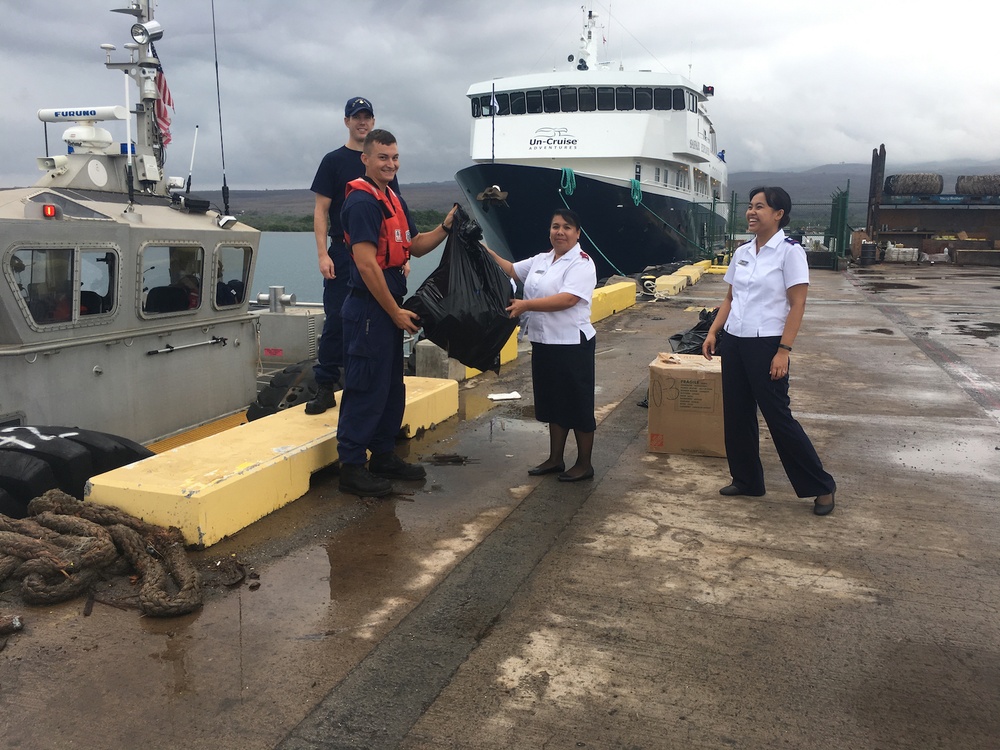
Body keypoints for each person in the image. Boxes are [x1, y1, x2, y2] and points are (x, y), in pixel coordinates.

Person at [336, 129, 457, 497]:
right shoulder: (362, 203)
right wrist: (395, 313)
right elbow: (368, 265)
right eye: (383, 157)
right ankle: (352, 465)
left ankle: (383, 454)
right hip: (370, 309)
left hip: (385, 308)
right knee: (365, 386)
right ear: (366, 159)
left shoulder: (392, 198)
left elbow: (415, 247)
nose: (390, 163)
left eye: (394, 157)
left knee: (391, 387)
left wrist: (445, 227)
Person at [702, 186, 836, 516]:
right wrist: (713, 331)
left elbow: (798, 303)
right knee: (737, 414)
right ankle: (747, 480)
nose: (751, 212)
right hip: (734, 341)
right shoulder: (743, 251)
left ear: (778, 214)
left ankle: (821, 486)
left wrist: (783, 350)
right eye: (750, 206)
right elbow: (730, 298)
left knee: (779, 418)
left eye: (759, 207)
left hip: (767, 344)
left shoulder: (790, 252)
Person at [487, 208, 598, 482]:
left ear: (577, 233)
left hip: (572, 343)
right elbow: (512, 270)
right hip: (544, 341)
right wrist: (482, 248)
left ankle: (584, 463)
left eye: (566, 227)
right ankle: (555, 459)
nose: (559, 232)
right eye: (555, 226)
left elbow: (568, 299)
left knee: (578, 403)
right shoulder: (541, 260)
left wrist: (526, 305)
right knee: (552, 401)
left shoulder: (582, 263)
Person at [306, 96, 400, 415]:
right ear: (346, 122)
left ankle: (367, 386)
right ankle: (325, 385)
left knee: (376, 318)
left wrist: (404, 257)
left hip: (379, 257)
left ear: (373, 122)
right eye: (355, 117)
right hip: (343, 255)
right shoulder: (333, 161)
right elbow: (321, 210)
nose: (362, 121)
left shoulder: (381, 162)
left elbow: (394, 212)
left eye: (367, 116)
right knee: (337, 319)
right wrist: (323, 254)